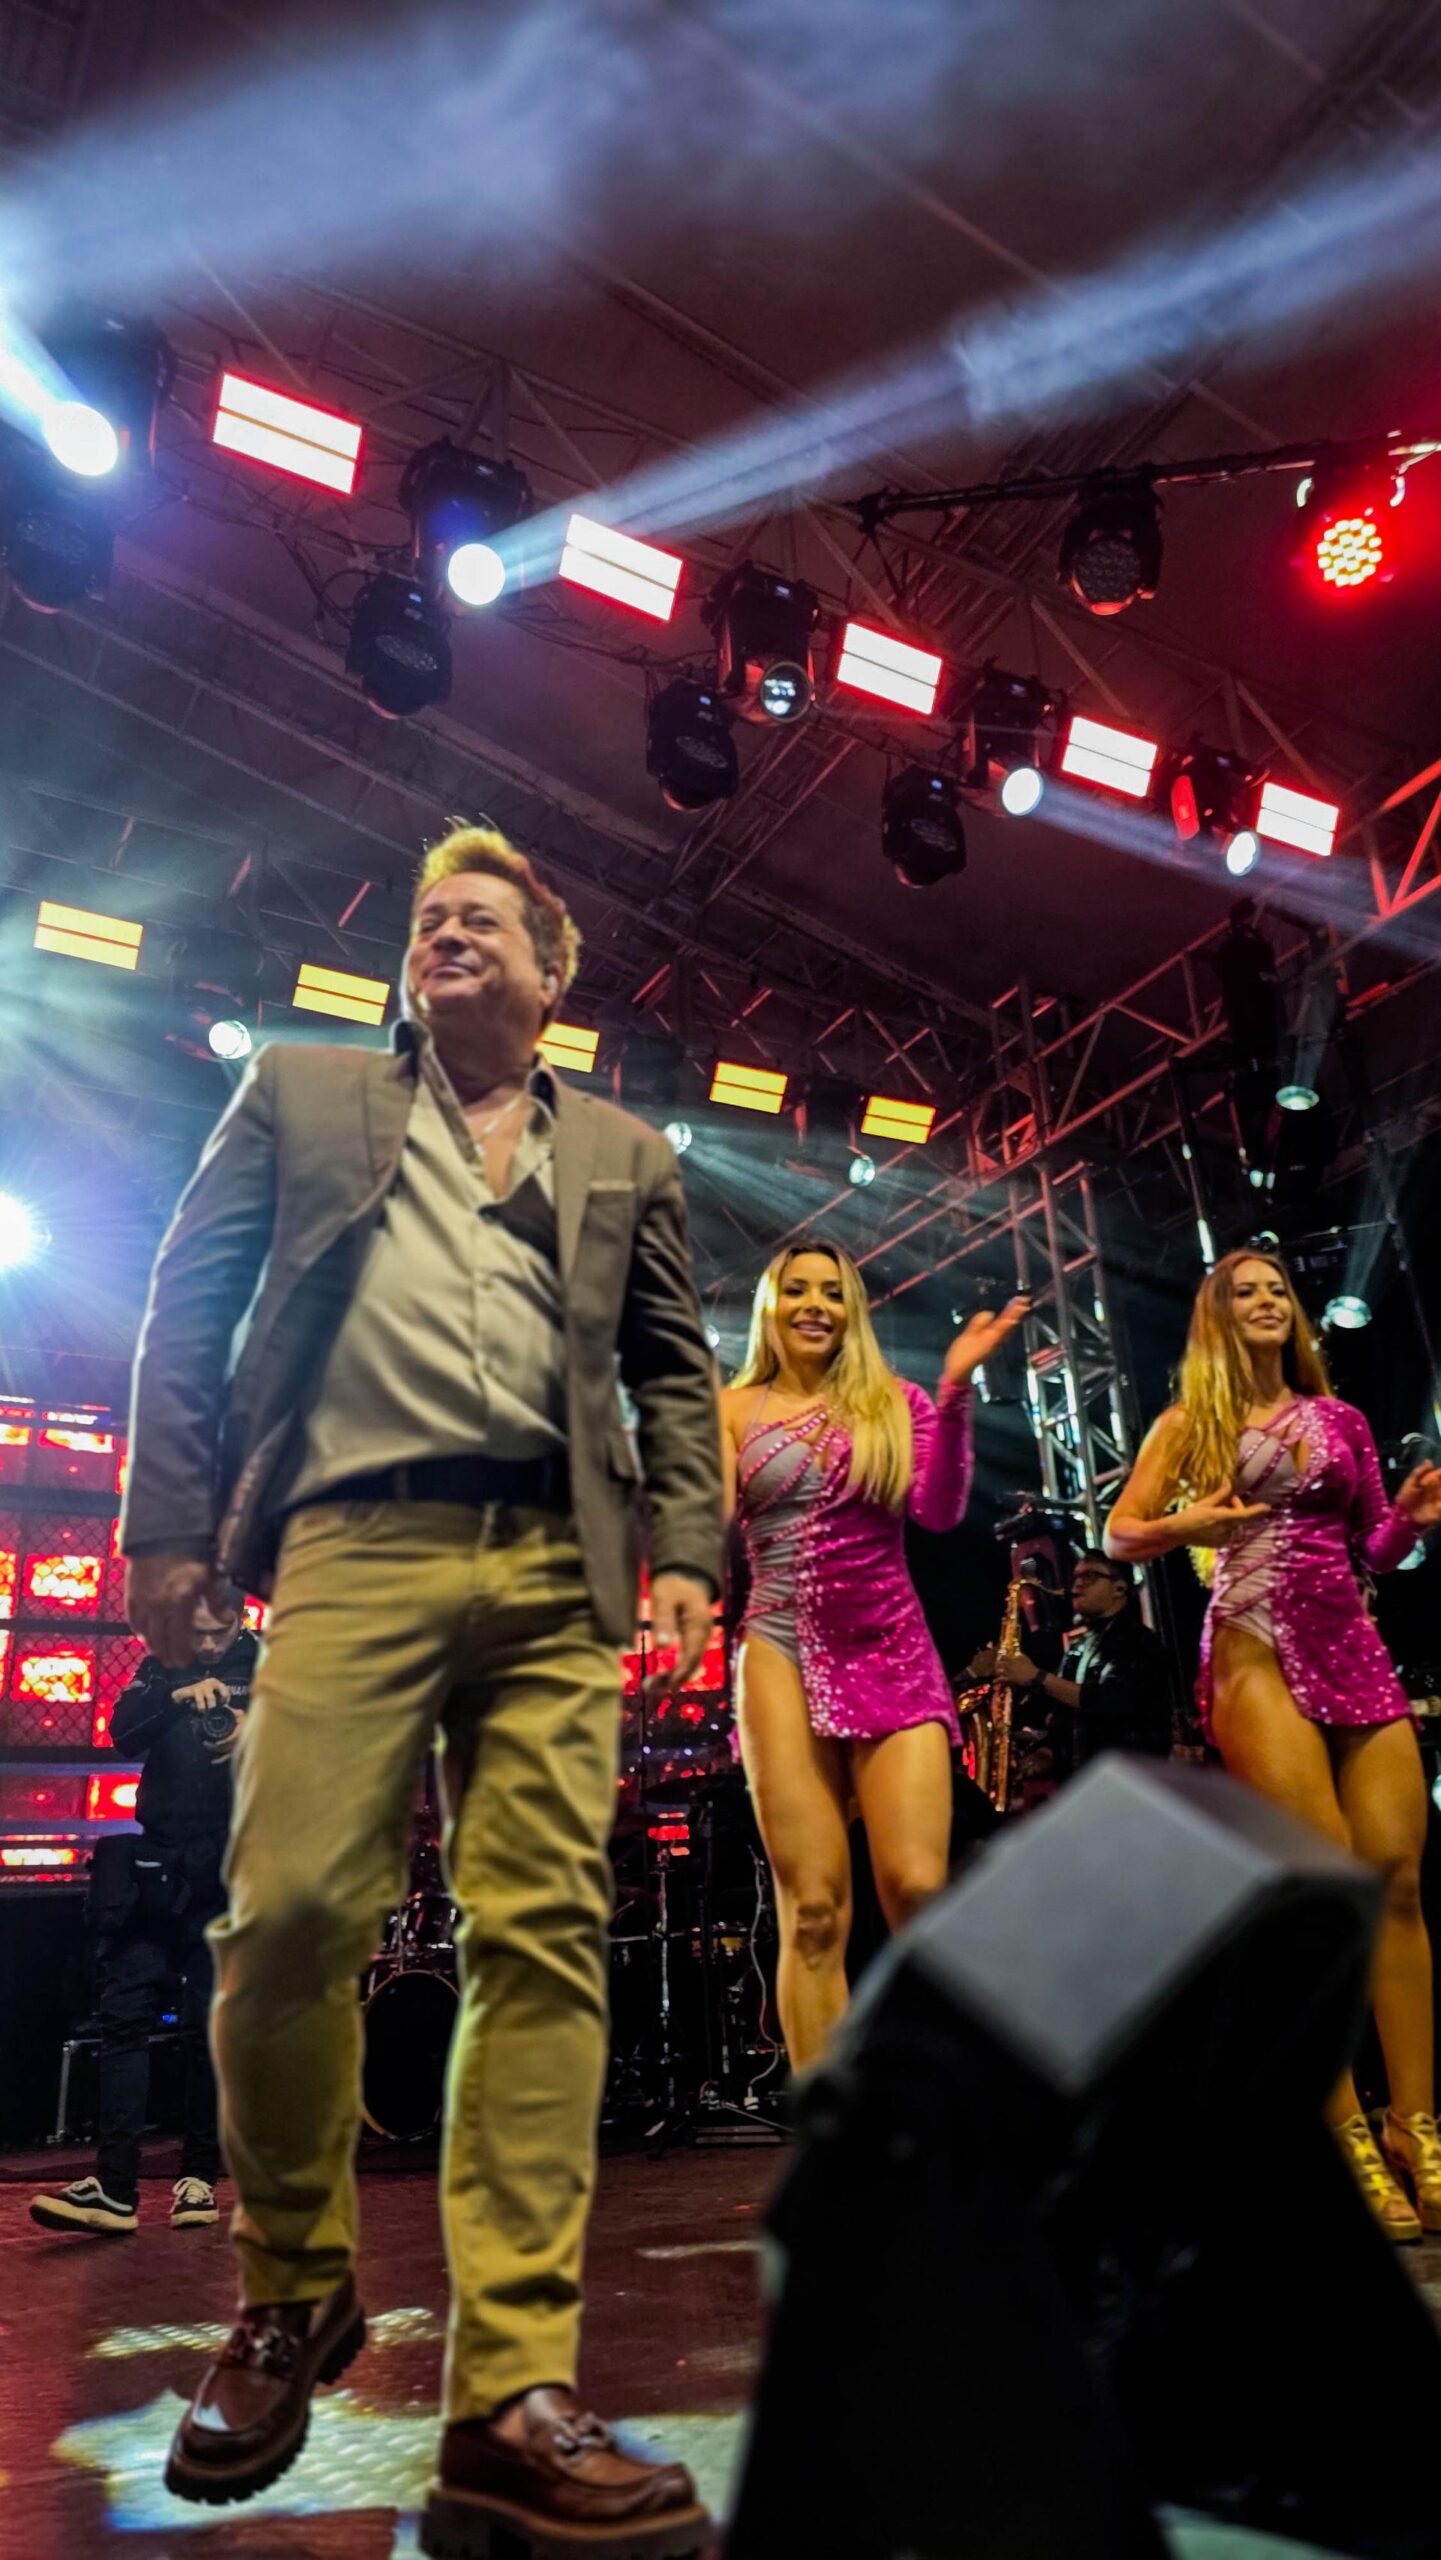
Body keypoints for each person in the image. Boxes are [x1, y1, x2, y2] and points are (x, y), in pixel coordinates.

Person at [120, 824, 723, 2556]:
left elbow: (674, 1369)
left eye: (483, 920)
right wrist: (166, 1527)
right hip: (348, 1543)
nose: (445, 932)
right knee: (289, 1912)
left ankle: (510, 2394)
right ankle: (293, 2289)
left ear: (551, 974)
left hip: (554, 1570)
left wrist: (688, 1546)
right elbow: (190, 1301)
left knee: (542, 1942)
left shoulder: (624, 1152)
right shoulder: (302, 1095)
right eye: (428, 918)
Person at [1107, 1249, 1441, 2240]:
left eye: (1274, 1291)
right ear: (1216, 1318)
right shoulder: (1189, 1424)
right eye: (1243, 1293)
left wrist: (1408, 1523)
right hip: (1251, 1642)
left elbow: (1373, 1547)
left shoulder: (1339, 1419)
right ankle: (1339, 2130)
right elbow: (1120, 1533)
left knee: (1396, 1881)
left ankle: (1415, 2125)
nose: (1263, 1302)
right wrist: (1190, 1523)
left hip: (1348, 1641)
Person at [719, 1240, 1027, 2070]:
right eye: (796, 1290)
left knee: (919, 1890)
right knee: (814, 1910)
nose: (814, 1305)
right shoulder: (731, 1409)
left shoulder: (896, 1402)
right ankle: (830, 2125)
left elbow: (937, 1511)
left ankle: (942, 2108)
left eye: (832, 1292)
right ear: (770, 1307)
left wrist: (955, 1391)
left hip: (890, 1647)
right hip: (778, 1648)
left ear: (851, 1311)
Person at [30, 1597, 256, 2236]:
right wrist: (178, 1698)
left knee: (209, 2026)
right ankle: (115, 2187)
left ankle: (198, 2179)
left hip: (230, 1865)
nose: (206, 1646)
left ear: (241, 1619)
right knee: (124, 2014)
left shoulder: (272, 1663)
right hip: (156, 1864)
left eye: (219, 1634)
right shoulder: (163, 1662)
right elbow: (123, 1734)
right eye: (196, 1633)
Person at [989, 1548, 1173, 1779]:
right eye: (1076, 1576)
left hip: (1131, 1783)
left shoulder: (1140, 1641)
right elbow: (1063, 1721)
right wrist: (1044, 1754)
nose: (1077, 1584)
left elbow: (1110, 1701)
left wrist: (1036, 1677)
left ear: (1119, 1588)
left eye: (1090, 1576)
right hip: (1085, 1785)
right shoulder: (1078, 1648)